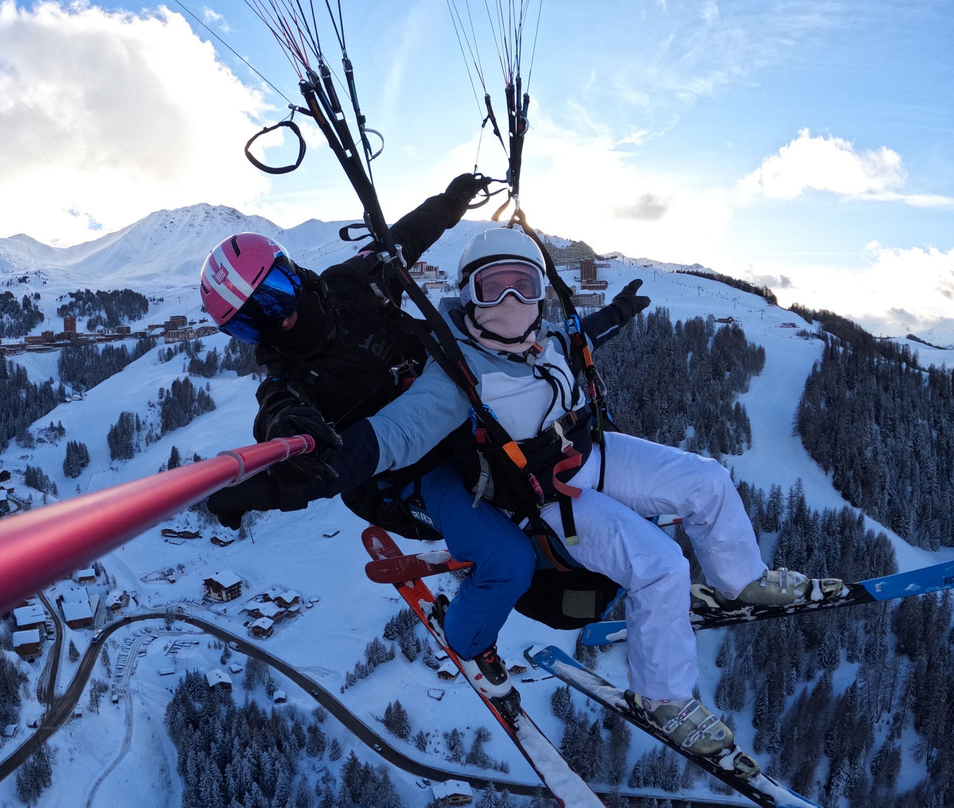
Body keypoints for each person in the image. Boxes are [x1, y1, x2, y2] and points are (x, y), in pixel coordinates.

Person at [227, 225, 842, 761]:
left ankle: (741, 577)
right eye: (493, 289)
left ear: (542, 292)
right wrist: (283, 483)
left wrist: (615, 316)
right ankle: (665, 697)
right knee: (660, 564)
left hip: (589, 452)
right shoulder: (456, 374)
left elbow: (578, 341)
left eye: (523, 285)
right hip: (546, 496)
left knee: (706, 479)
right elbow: (388, 437)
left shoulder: (543, 341)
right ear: (468, 295)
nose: (511, 302)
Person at [200, 175, 634, 710]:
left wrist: (452, 201)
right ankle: (472, 641)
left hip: (464, 422)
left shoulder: (350, 285)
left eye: (276, 297)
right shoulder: (289, 384)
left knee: (576, 472)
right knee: (508, 555)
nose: (280, 321)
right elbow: (282, 426)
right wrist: (269, 477)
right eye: (252, 323)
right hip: (409, 478)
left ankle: (616, 577)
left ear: (294, 274)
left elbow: (405, 236)